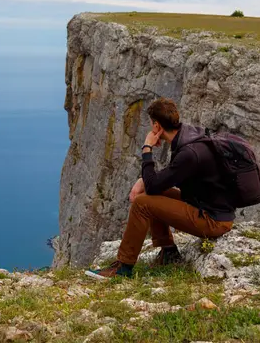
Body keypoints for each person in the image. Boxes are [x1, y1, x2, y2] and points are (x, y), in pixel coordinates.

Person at [86, 98, 236, 280]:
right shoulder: (192, 138)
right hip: (209, 208)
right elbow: (161, 182)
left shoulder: (188, 153)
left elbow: (154, 184)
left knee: (142, 203)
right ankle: (169, 253)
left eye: (151, 124)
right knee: (152, 193)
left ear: (156, 125)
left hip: (213, 221)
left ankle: (123, 268)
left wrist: (147, 148)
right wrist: (144, 179)